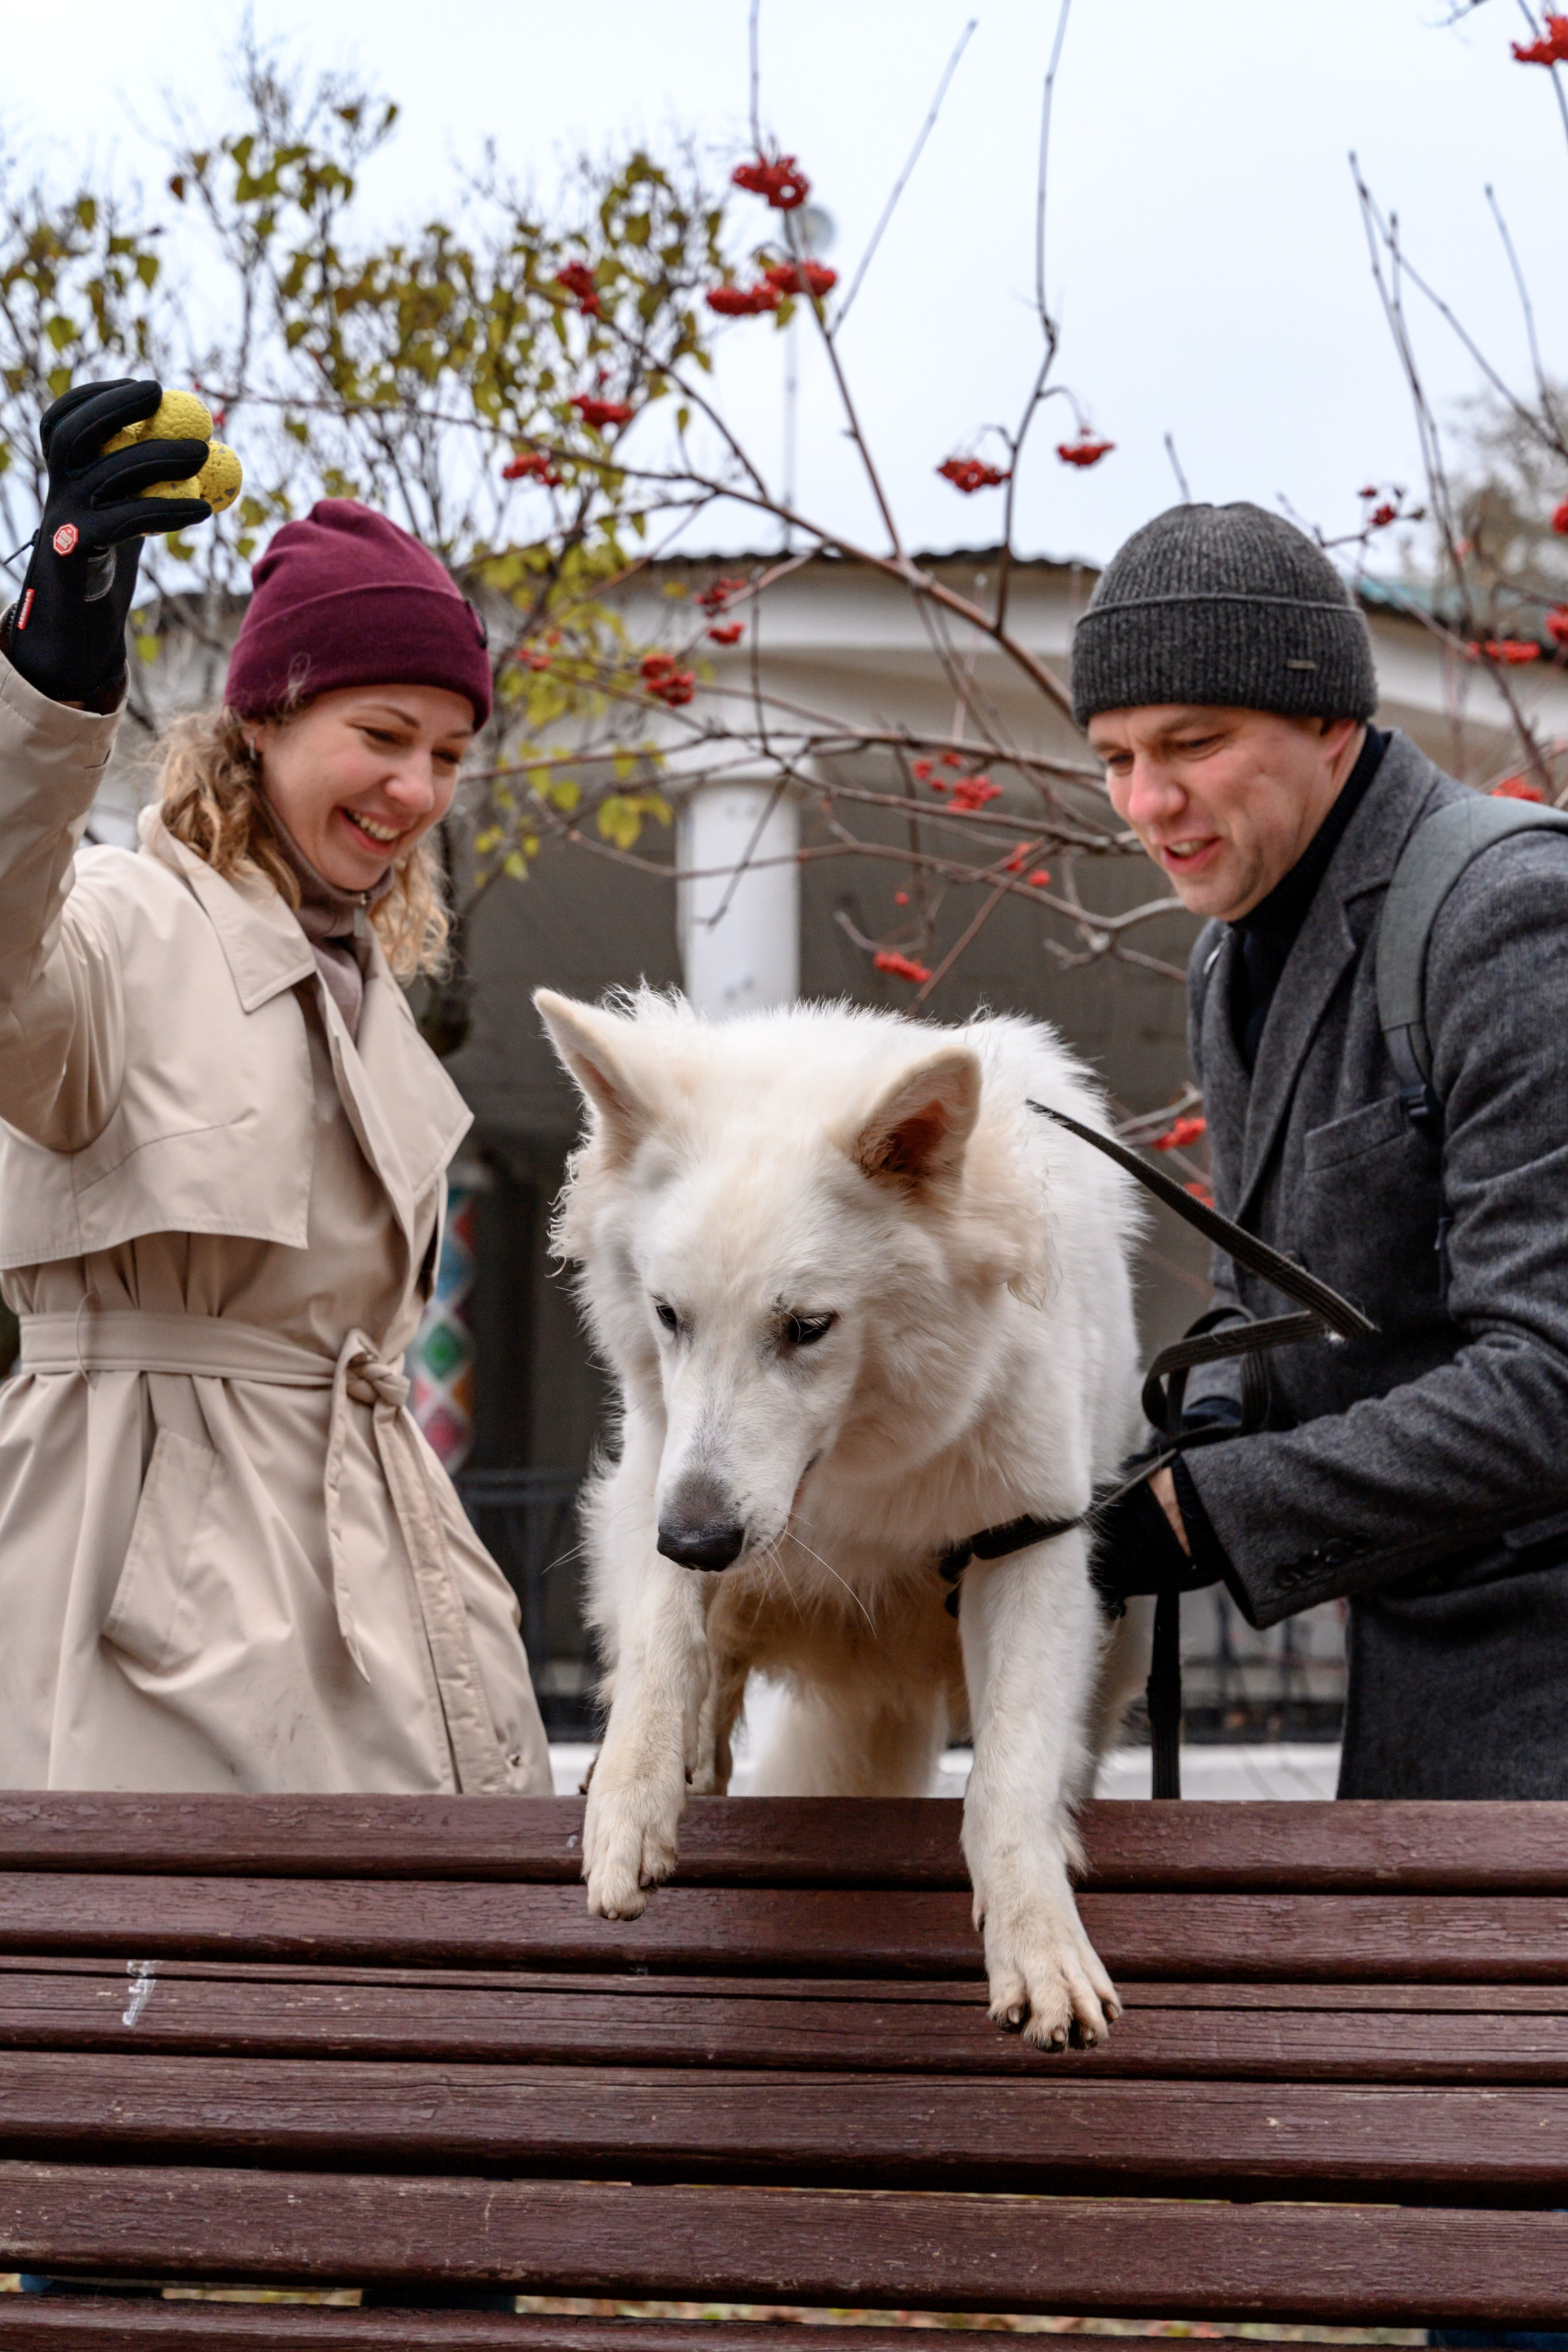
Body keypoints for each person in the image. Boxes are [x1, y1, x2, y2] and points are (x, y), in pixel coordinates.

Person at [0, 378, 551, 1806]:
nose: (419, 788)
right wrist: (52, 674)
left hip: (373, 1575)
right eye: (382, 734)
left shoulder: (370, 1004)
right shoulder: (125, 922)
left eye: (447, 750)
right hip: (134, 1602)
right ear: (263, 722)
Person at [1081, 500, 1568, 1800]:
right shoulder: (1224, 954)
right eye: (1114, 757)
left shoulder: (1510, 915)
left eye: (1193, 743)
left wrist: (1204, 1514)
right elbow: (1268, 1296)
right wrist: (1190, 1434)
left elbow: (1550, 1379)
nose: (1148, 800)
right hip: (1416, 1678)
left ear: (1329, 722)